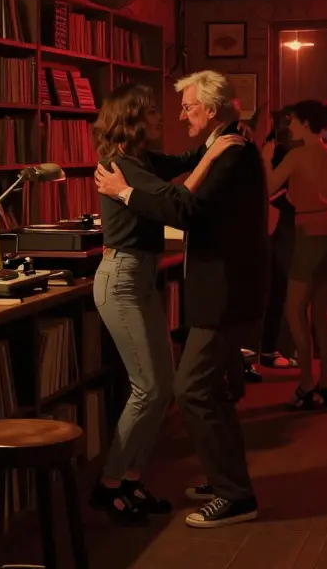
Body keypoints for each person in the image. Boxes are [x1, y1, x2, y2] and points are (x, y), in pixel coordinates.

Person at [94, 69, 268, 529]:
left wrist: (224, 137)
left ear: (210, 109)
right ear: (133, 119)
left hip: (188, 283)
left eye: (187, 106)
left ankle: (217, 487)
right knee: (161, 387)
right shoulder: (124, 166)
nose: (174, 114)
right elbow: (179, 196)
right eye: (155, 111)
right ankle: (116, 483)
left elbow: (182, 195)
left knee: (181, 387)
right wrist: (216, 145)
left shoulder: (157, 160)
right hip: (128, 276)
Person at [264, 99, 327, 410]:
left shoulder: (298, 155)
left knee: (294, 309)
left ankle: (306, 383)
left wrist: (265, 159)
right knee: (321, 312)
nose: (290, 127)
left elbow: (268, 185)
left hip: (309, 234)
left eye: (294, 121)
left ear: (307, 123)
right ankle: (326, 383)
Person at [260, 107, 299, 370]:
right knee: (281, 292)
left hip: (279, 227)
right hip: (284, 227)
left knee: (280, 292)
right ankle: (273, 349)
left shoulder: (271, 150)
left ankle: (272, 348)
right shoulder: (283, 151)